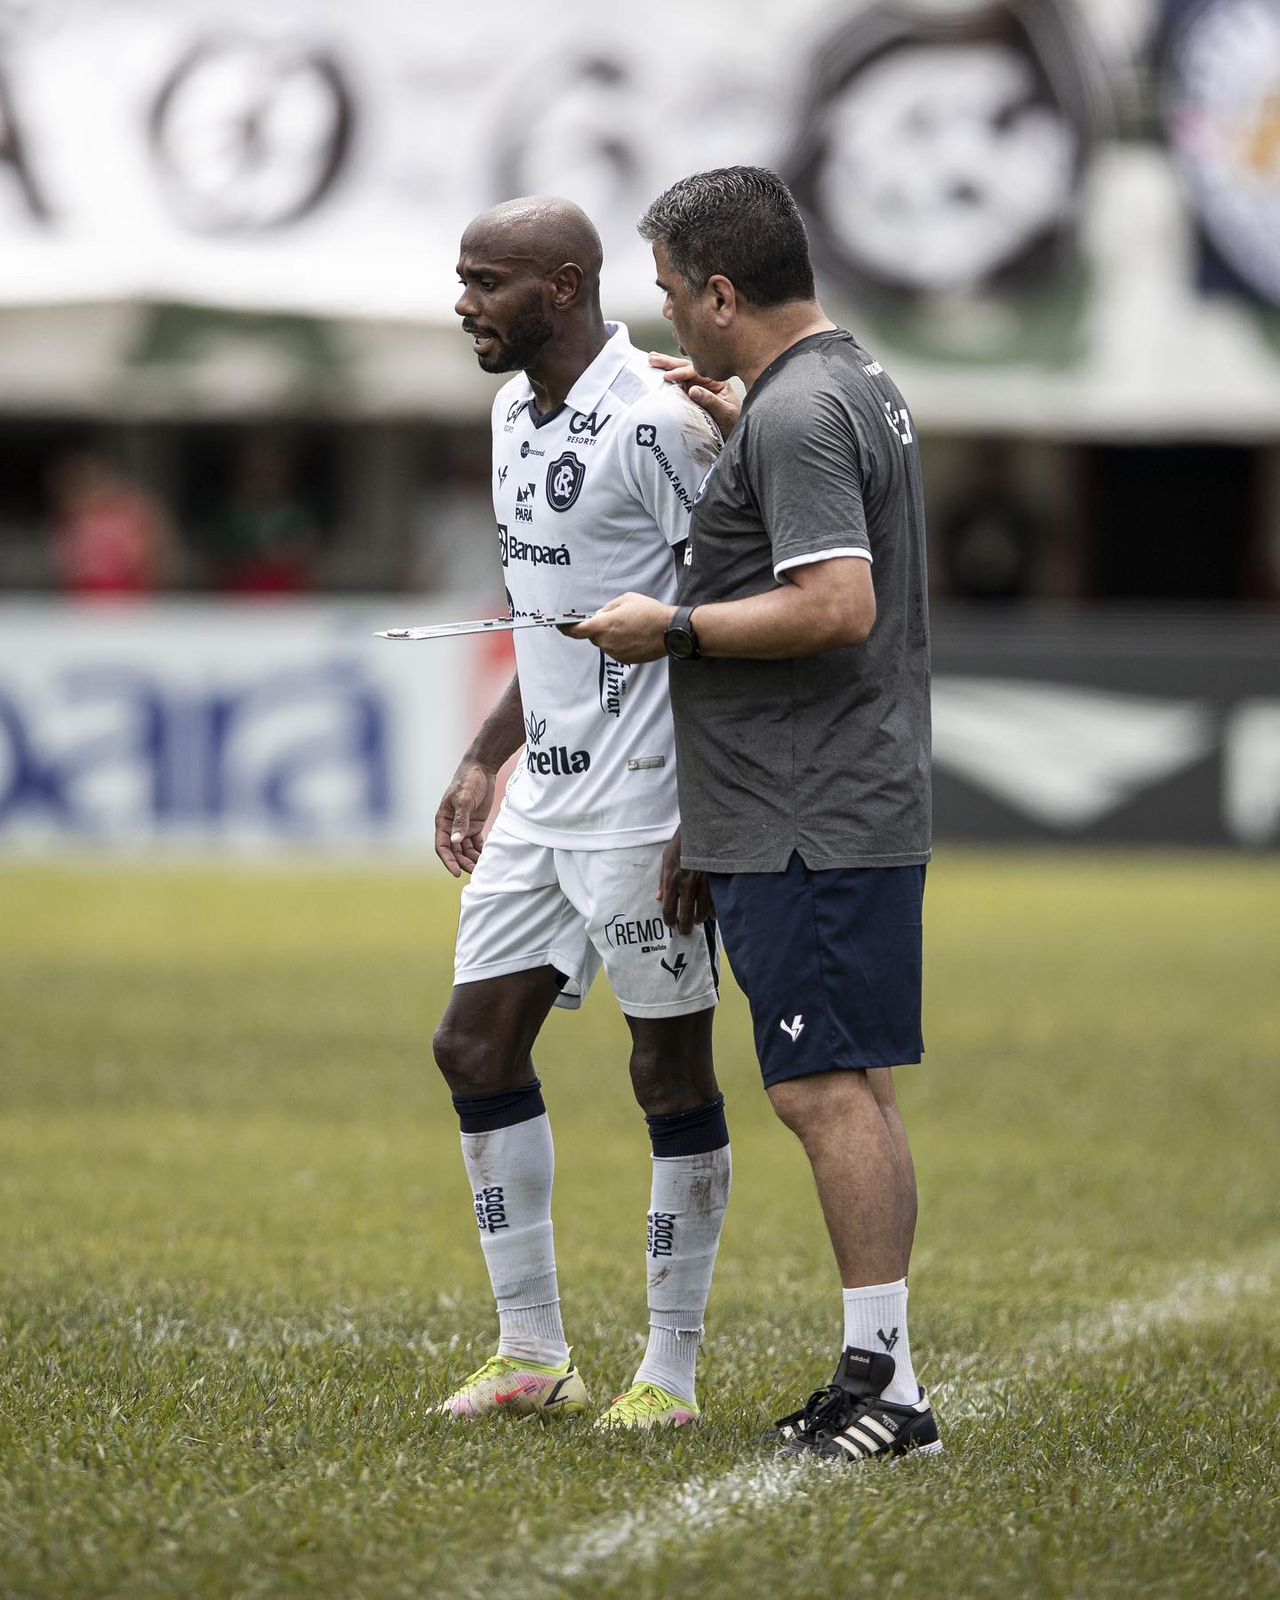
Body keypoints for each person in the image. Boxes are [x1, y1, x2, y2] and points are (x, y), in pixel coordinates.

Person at [569, 166, 941, 1462]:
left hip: (811, 810)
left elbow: (838, 604)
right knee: (857, 1090)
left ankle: (889, 1390)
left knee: (823, 1095)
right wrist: (745, 429)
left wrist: (666, 626)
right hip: (830, 799)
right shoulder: (840, 385)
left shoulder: (802, 414)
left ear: (724, 291)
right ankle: (882, 1366)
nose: (668, 320)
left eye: (673, 295)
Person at [432, 196, 730, 1430]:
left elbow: (733, 618)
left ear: (561, 286)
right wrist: (481, 755)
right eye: (461, 278)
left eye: (485, 280)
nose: (463, 303)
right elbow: (541, 605)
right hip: (542, 801)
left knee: (665, 1073)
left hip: (647, 810)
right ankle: (530, 1354)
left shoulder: (659, 423)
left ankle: (666, 1372)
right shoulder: (510, 411)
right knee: (471, 1048)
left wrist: (702, 815)